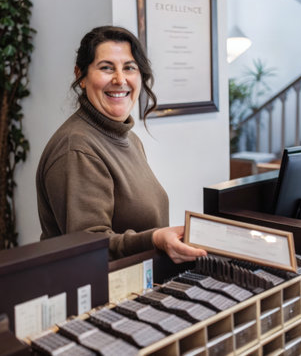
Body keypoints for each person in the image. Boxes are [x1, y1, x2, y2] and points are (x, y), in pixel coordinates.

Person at [36, 25, 206, 263]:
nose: (120, 79)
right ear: (81, 76)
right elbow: (88, 245)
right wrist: (155, 239)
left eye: (129, 68)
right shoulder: (77, 148)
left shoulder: (128, 138)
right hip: (98, 294)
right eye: (106, 68)